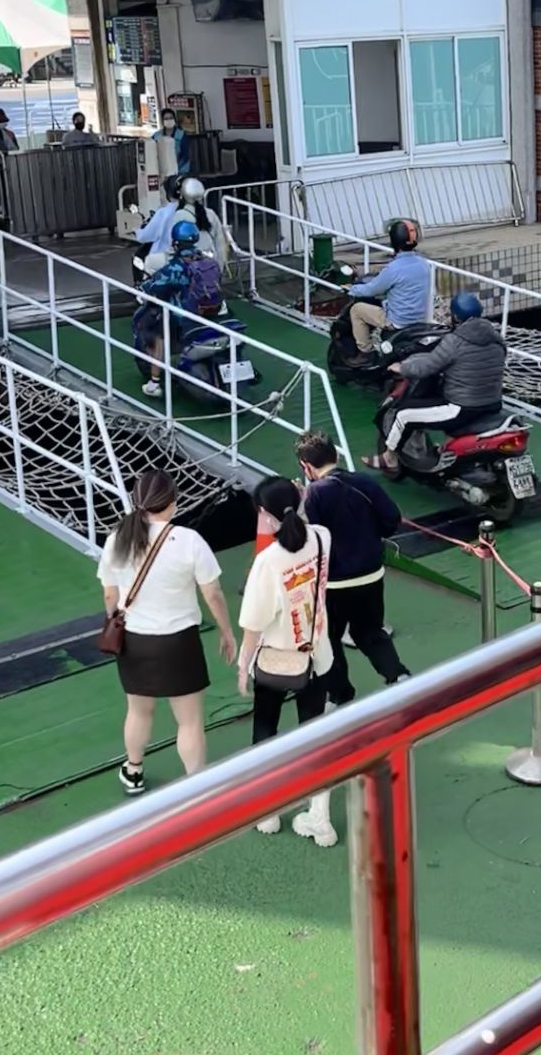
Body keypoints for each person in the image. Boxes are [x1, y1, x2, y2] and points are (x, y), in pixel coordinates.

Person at [100, 470, 236, 796]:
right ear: (173, 503)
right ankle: (196, 784)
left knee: (138, 711)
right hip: (179, 642)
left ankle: (133, 772)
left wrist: (115, 618)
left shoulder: (117, 538)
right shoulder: (189, 541)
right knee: (189, 721)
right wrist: (226, 631)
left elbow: (110, 595)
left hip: (134, 640)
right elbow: (213, 593)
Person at [237, 476, 339, 846]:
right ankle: (320, 818)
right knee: (315, 733)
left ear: (264, 515)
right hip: (317, 651)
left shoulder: (268, 561)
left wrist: (243, 665)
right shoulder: (322, 538)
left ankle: (268, 810)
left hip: (276, 660)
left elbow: (253, 623)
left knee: (266, 731)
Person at [297, 430, 410, 706]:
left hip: (333, 584)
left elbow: (312, 538)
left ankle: (340, 696)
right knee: (369, 631)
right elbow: (392, 518)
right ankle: (398, 676)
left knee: (329, 640)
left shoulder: (314, 494)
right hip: (371, 574)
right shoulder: (364, 482)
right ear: (335, 455)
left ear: (306, 466)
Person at [366, 291, 506, 472]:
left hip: (462, 408)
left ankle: (389, 458)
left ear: (455, 316)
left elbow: (427, 367)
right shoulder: (496, 339)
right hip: (492, 403)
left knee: (403, 415)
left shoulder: (455, 341)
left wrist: (401, 368)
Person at [135, 220, 202, 397]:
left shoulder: (175, 267)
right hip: (207, 309)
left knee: (159, 335)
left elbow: (153, 286)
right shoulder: (204, 259)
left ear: (175, 242)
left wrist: (144, 287)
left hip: (183, 315)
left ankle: (154, 382)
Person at [346, 218, 432, 355]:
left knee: (356, 310)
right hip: (419, 319)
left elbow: (371, 290)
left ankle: (366, 351)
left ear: (393, 241)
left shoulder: (393, 269)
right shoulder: (424, 264)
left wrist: (351, 289)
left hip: (398, 322)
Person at [153, 109, 191, 176]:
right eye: (166, 119)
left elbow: (185, 156)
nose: (169, 120)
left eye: (171, 118)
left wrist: (175, 169)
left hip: (180, 171)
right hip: (162, 171)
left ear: (174, 120)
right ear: (162, 121)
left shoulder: (181, 134)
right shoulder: (157, 135)